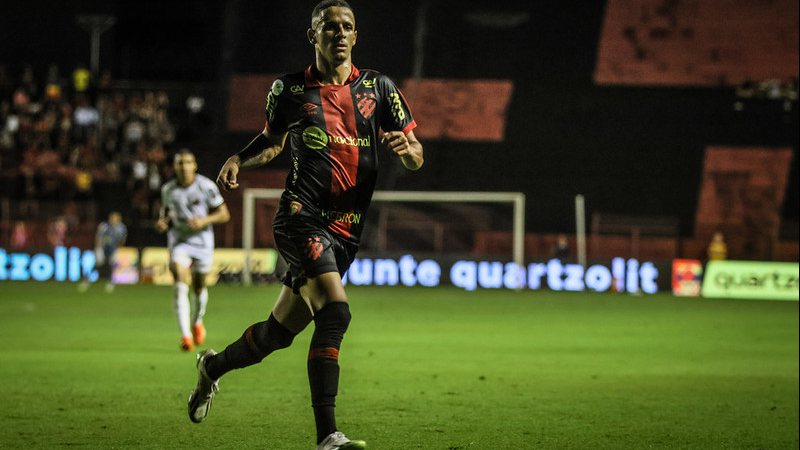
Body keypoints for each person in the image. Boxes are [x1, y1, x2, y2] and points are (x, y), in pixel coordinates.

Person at [187, 2, 424, 449]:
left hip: (347, 231)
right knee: (335, 312)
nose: (339, 33)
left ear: (356, 36)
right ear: (312, 35)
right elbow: (273, 142)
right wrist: (240, 157)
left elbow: (416, 154)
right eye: (329, 27)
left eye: (347, 27)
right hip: (301, 217)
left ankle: (211, 368)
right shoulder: (290, 90)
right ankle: (327, 436)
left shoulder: (380, 88)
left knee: (277, 334)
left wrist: (405, 150)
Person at [156, 148, 231, 352]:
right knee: (180, 280)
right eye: (180, 163)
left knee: (198, 287)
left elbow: (224, 214)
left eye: (187, 162)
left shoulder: (206, 186)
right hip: (179, 240)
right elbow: (165, 213)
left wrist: (204, 220)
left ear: (194, 165)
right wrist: (163, 222)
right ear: (174, 167)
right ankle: (185, 336)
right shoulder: (168, 190)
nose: (184, 167)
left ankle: (197, 321)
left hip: (202, 242)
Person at [90, 211, 127, 293]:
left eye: (116, 218)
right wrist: (98, 248)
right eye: (112, 218)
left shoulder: (121, 228)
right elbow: (98, 237)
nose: (114, 220)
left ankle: (110, 282)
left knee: (112, 264)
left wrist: (118, 248)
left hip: (113, 249)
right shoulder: (104, 226)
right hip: (102, 247)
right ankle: (87, 279)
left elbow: (122, 240)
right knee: (98, 263)